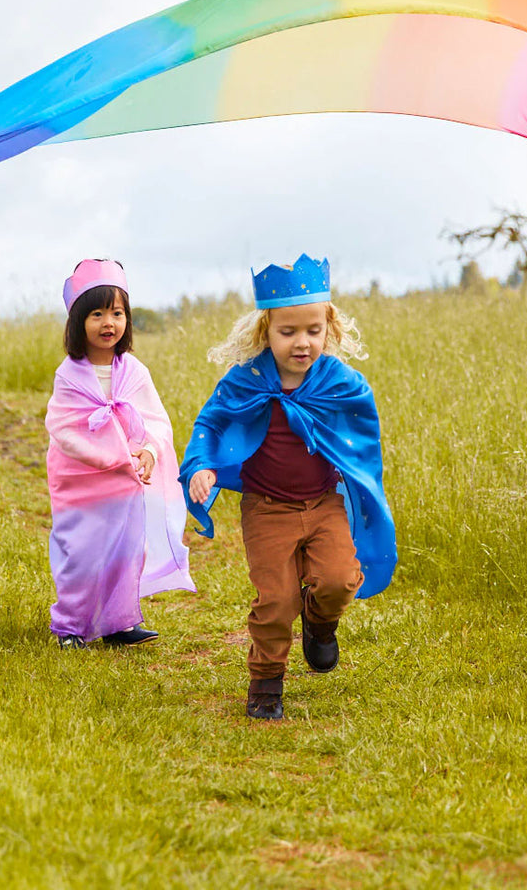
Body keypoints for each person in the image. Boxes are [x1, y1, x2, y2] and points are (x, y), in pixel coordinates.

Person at [180, 254, 396, 720]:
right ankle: (266, 682)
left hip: (324, 502)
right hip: (268, 508)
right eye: (288, 332)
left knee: (338, 580)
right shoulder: (246, 381)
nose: (303, 342)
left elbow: (360, 436)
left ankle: (320, 621)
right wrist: (203, 467)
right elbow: (212, 424)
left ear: (329, 327)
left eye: (313, 331)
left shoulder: (340, 382)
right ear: (265, 331)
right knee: (275, 600)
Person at [45, 259, 195, 649]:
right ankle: (71, 627)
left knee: (127, 548)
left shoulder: (134, 371)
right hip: (81, 479)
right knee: (82, 552)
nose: (108, 322)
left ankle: (118, 621)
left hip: (127, 479)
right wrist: (110, 457)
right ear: (78, 321)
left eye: (117, 312)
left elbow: (156, 421)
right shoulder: (70, 374)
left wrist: (147, 451)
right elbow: (62, 429)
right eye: (97, 313)